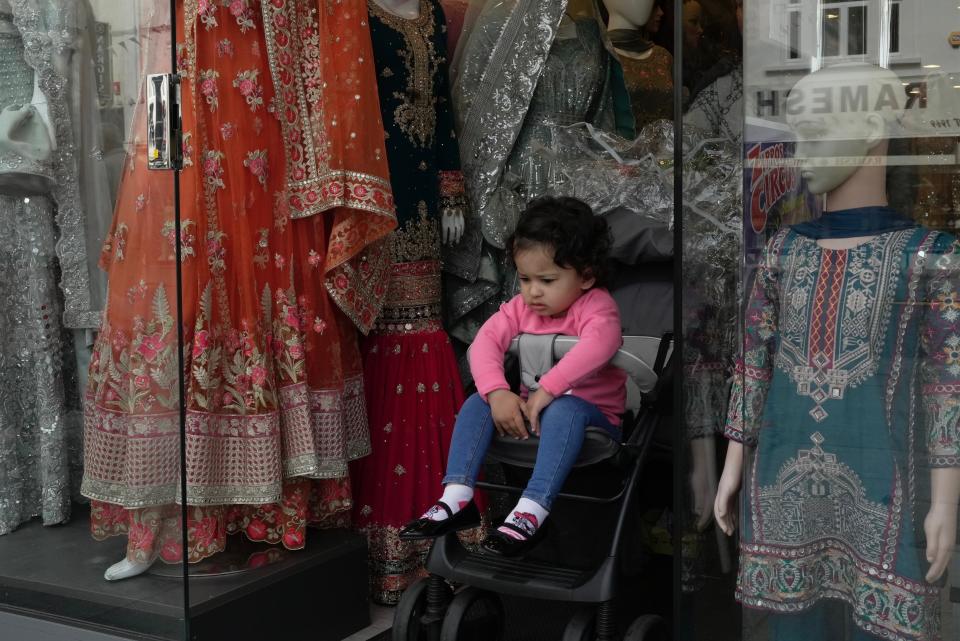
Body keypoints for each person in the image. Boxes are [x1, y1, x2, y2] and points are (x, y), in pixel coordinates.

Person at [398, 196, 626, 557]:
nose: (533, 291)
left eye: (547, 280)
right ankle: (458, 495)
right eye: (524, 279)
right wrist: (498, 392)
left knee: (565, 408)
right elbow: (486, 342)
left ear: (586, 276)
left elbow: (601, 344)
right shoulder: (521, 308)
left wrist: (548, 390)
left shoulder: (595, 306)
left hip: (592, 421)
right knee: (478, 402)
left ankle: (532, 508)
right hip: (531, 416)